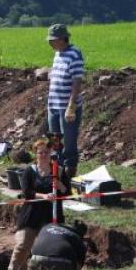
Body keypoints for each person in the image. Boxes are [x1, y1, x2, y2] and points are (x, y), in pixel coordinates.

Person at [6, 138, 71, 270]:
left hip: (51, 216)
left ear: (51, 153)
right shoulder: (30, 171)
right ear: (36, 154)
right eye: (40, 152)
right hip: (31, 215)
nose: (43, 155)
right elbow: (26, 192)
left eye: (46, 152)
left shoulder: (58, 170)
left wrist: (58, 183)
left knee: (49, 250)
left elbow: (67, 193)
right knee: (22, 246)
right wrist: (44, 196)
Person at [46, 23, 84, 177]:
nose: (50, 43)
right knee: (54, 140)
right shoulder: (57, 53)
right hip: (53, 104)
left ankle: (70, 172)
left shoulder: (75, 54)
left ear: (62, 39)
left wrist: (71, 106)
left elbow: (77, 81)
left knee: (68, 141)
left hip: (66, 106)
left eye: (52, 40)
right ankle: (57, 172)